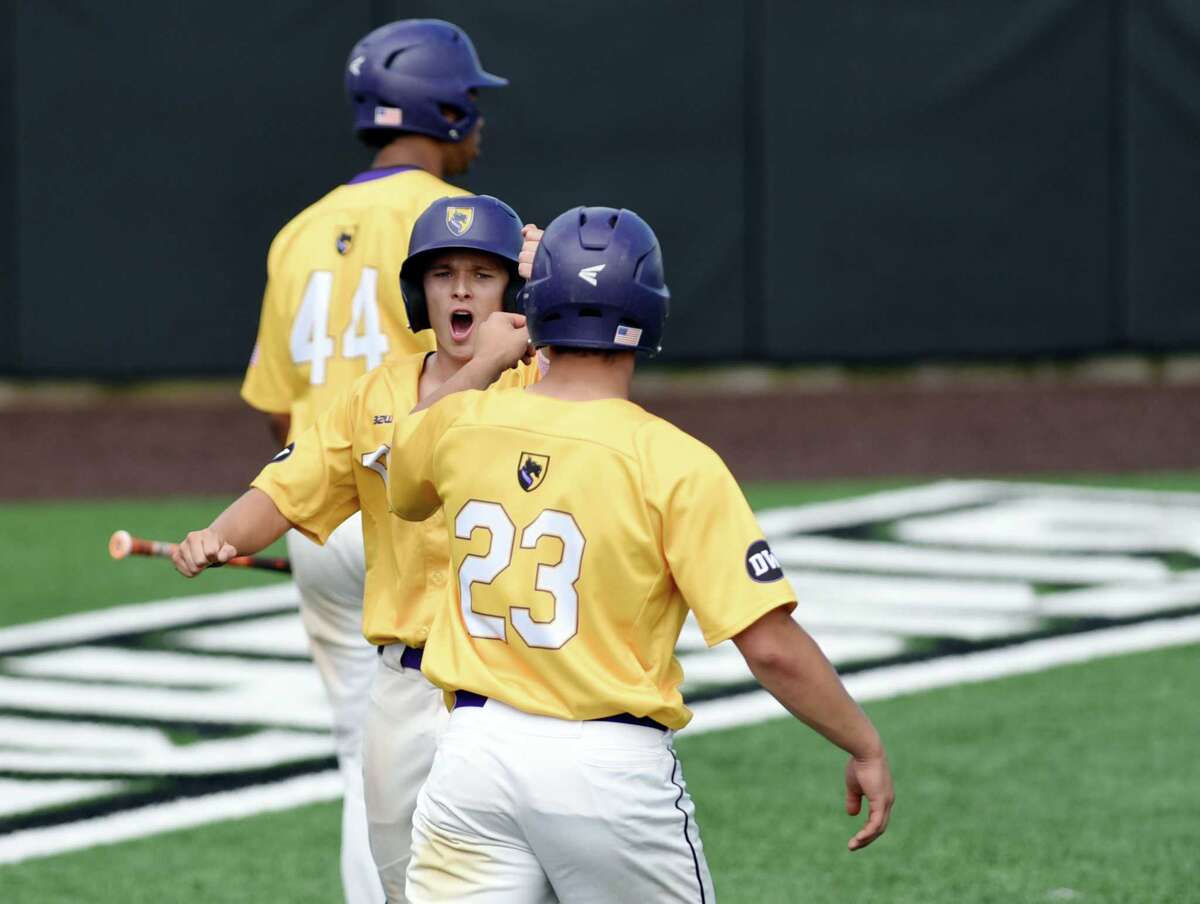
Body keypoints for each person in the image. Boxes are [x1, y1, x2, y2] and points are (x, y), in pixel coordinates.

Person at [386, 206, 895, 903]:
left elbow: (405, 476)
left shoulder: (462, 423)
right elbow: (770, 647)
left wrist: (484, 365)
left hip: (471, 758)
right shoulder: (673, 461)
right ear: (650, 314)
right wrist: (862, 741)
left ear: (535, 312)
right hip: (606, 768)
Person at [181, 194, 540, 903]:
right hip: (405, 692)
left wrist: (554, 272)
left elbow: (611, 332)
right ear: (418, 291)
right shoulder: (372, 395)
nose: (461, 289)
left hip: (519, 690)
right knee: (406, 891)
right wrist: (220, 535)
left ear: (513, 291)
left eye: (482, 274)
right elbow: (290, 485)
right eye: (442, 274)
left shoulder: (546, 380)